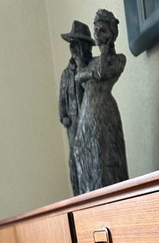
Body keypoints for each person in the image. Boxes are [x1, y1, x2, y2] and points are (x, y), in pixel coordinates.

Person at [74, 9, 129, 194]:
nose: (97, 35)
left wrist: (104, 53)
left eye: (102, 30)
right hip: (86, 115)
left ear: (112, 35)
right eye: (95, 30)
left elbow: (103, 73)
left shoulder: (119, 59)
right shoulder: (92, 62)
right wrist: (90, 72)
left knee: (105, 160)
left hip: (104, 115)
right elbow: (79, 77)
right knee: (83, 154)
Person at [59, 21, 94, 196]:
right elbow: (62, 99)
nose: (74, 47)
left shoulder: (90, 67)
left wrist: (81, 65)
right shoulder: (66, 74)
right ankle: (79, 195)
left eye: (77, 43)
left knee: (89, 156)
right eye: (72, 43)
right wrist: (63, 116)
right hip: (72, 122)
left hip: (88, 119)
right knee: (74, 158)